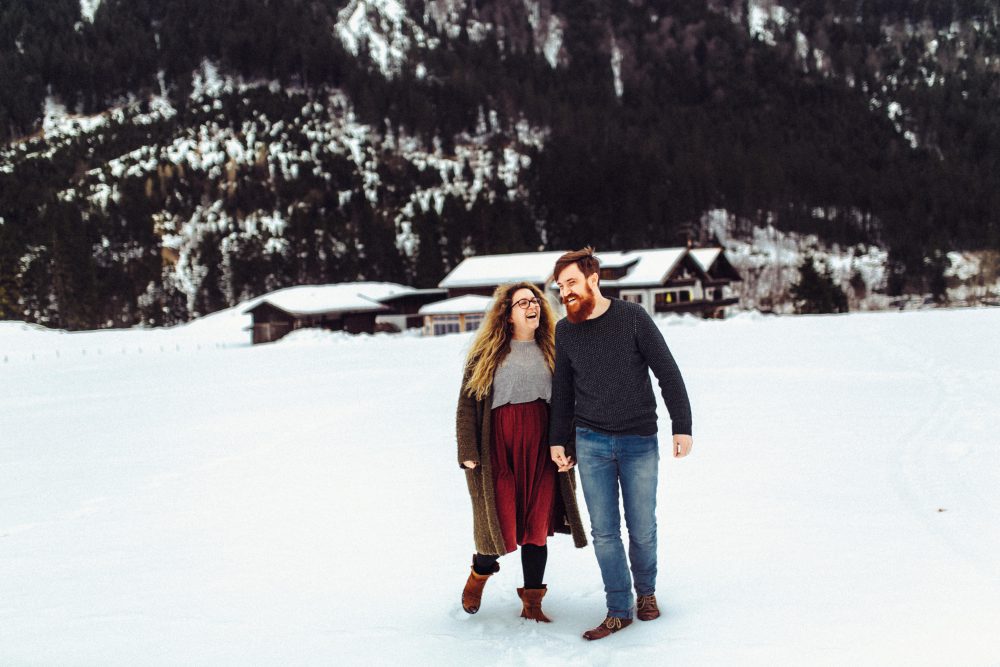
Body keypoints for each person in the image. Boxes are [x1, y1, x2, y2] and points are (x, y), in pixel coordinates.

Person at [548, 247, 694, 641]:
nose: (566, 293)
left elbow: (668, 371)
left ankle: (646, 595)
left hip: (638, 440)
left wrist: (682, 424)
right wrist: (558, 439)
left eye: (572, 283)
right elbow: (562, 389)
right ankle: (618, 608)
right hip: (590, 441)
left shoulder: (632, 318)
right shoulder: (565, 330)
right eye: (561, 287)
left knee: (642, 526)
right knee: (604, 531)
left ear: (594, 278)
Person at [456, 281, 587, 623]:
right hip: (498, 445)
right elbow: (467, 406)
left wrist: (568, 447)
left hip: (541, 444)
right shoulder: (486, 355)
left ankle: (533, 602)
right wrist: (468, 450)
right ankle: (479, 575)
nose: (532, 307)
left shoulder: (555, 351)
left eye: (535, 301)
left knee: (536, 522)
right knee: (495, 519)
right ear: (508, 314)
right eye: (523, 302)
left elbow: (569, 406)